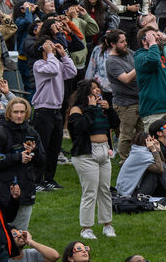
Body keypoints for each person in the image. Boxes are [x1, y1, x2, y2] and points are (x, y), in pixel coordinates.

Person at [68, 79, 119, 239]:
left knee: (105, 190)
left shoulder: (101, 108)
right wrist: (90, 108)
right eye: (93, 89)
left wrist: (109, 110)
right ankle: (86, 228)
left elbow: (116, 123)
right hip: (86, 154)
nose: (97, 91)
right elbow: (80, 128)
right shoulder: (77, 109)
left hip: (104, 151)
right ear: (86, 93)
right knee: (90, 191)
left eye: (98, 89)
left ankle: (107, 225)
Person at [0, 97, 45, 230]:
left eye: (22, 112)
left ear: (27, 113)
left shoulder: (32, 132)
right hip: (3, 190)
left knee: (21, 236)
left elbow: (42, 160)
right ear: (9, 113)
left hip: (26, 189)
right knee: (0, 233)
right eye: (15, 112)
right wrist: (18, 157)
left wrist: (32, 154)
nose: (19, 115)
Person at [32, 37, 78, 190]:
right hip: (43, 110)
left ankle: (49, 179)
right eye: (49, 46)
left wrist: (63, 55)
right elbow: (51, 71)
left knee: (54, 147)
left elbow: (72, 72)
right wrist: (50, 54)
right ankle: (37, 180)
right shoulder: (39, 65)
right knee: (41, 147)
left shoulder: (56, 63)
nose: (52, 48)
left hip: (56, 111)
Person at [134, 26, 166, 128]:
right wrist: (152, 43)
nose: (157, 38)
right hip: (156, 112)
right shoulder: (140, 56)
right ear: (144, 40)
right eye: (153, 36)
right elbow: (153, 60)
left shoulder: (165, 54)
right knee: (159, 143)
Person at [104, 29, 140, 162]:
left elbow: (139, 57)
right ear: (113, 44)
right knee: (126, 135)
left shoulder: (128, 52)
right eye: (122, 42)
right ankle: (124, 161)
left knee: (142, 134)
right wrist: (139, 66)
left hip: (139, 100)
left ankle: (138, 160)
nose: (126, 43)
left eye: (125, 40)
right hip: (125, 104)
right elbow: (126, 79)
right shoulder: (112, 61)